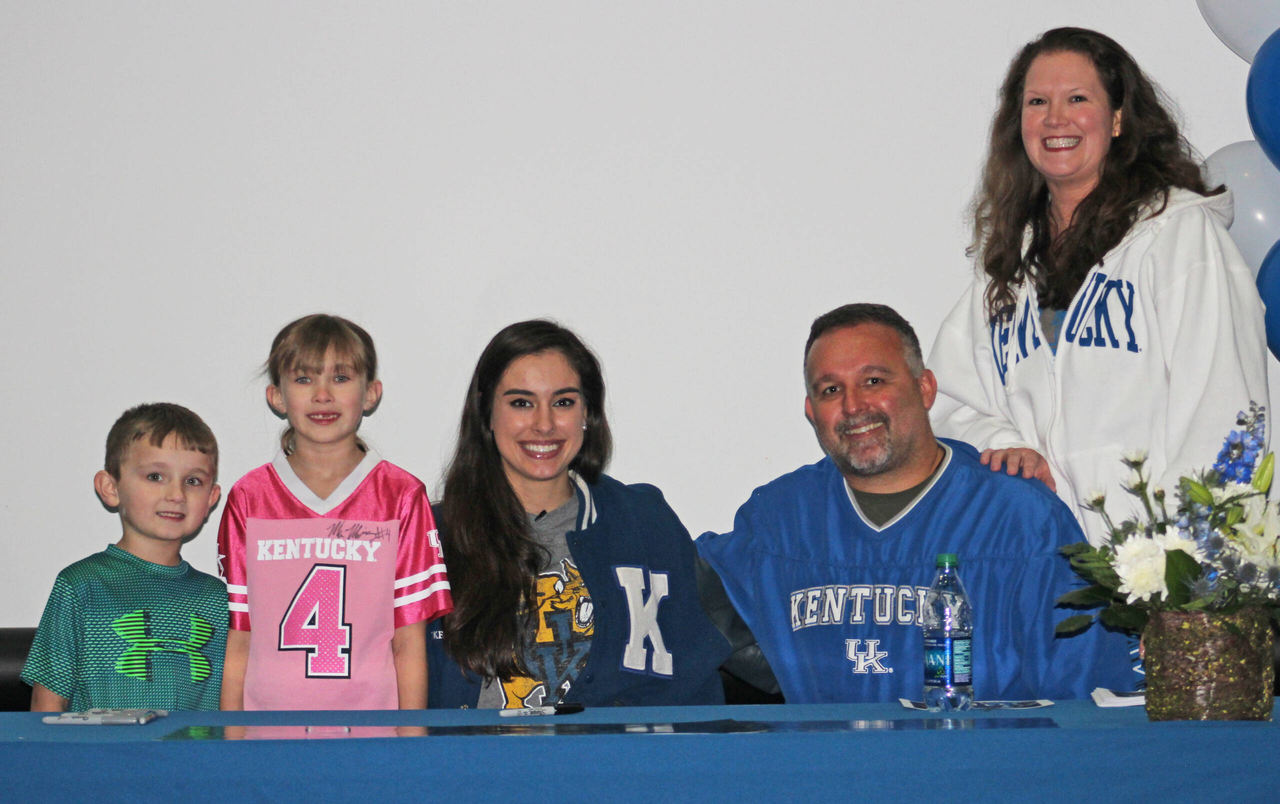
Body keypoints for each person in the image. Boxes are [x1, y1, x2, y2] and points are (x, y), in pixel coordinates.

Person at [928, 27, 1269, 544]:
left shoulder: (1178, 236)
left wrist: (1178, 569)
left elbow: (1225, 415)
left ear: (1116, 120)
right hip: (1051, 574)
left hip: (1162, 576)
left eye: (1077, 99)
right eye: (1037, 101)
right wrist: (1003, 442)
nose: (1055, 118)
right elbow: (949, 402)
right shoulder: (1007, 268)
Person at [697, 304, 1133, 704]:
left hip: (977, 780)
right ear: (811, 411)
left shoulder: (1020, 519)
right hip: (829, 781)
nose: (854, 406)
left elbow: (1087, 693)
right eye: (831, 390)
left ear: (925, 389)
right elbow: (679, 583)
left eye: (874, 381)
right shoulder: (781, 518)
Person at [427, 320, 729, 709]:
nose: (544, 424)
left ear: (589, 412)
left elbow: (695, 687)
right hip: (473, 768)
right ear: (486, 411)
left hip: (614, 767)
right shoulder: (431, 534)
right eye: (521, 402)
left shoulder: (645, 523)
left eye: (563, 402)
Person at [218, 314, 452, 710]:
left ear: (371, 394)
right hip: (268, 733)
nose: (322, 395)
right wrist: (231, 742)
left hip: (372, 734)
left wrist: (412, 742)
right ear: (276, 395)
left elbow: (409, 642)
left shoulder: (401, 496)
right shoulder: (249, 498)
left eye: (340, 378)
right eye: (304, 379)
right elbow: (239, 638)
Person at [23, 403, 227, 712]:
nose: (176, 494)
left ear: (212, 497)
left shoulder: (219, 599)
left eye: (193, 481)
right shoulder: (80, 586)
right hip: (103, 760)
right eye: (155, 476)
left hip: (195, 760)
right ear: (110, 488)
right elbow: (47, 706)